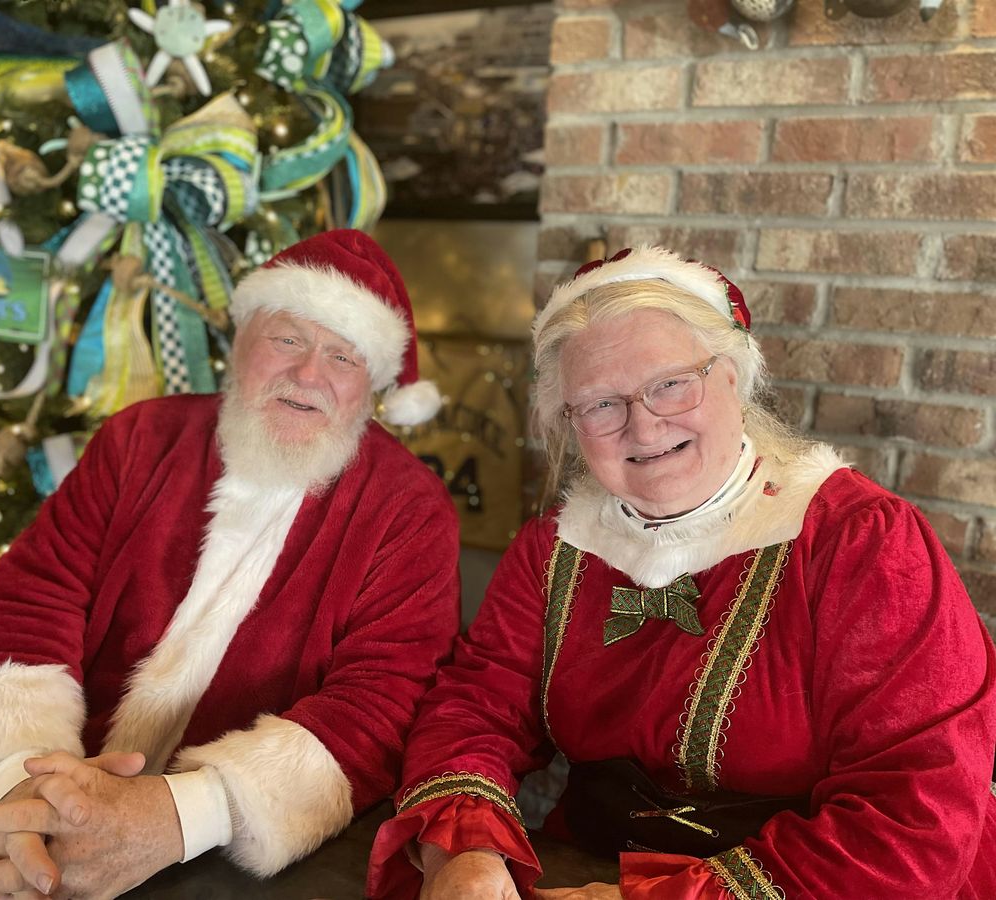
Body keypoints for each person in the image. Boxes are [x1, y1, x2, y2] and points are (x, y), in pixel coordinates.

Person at [0, 229, 461, 900]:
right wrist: (23, 780)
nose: (308, 375)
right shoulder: (140, 437)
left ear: (372, 389)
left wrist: (178, 816)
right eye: (287, 339)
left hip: (226, 839)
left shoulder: (411, 511)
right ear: (240, 344)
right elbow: (34, 593)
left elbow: (380, 703)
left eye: (343, 357)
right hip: (52, 772)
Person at [367, 245, 996, 899]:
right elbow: (475, 706)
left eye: (671, 383)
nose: (644, 425)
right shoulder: (554, 549)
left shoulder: (864, 544)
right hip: (593, 872)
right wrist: (462, 848)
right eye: (601, 404)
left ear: (733, 377)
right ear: (571, 423)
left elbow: (917, 810)